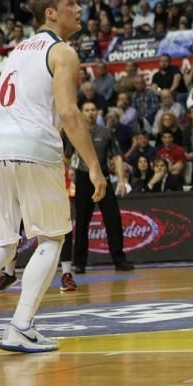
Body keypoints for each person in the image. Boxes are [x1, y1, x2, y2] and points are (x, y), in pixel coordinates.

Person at [0, 0, 107, 352]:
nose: (79, 8)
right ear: (50, 13)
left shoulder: (17, 51)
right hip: (33, 145)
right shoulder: (61, 51)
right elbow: (68, 113)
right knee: (52, 237)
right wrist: (95, 168)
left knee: (2, 243)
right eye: (71, 3)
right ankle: (20, 326)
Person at [69, 100, 133, 277]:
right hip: (82, 177)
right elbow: (66, 158)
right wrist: (66, 181)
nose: (90, 113)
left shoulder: (106, 132)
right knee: (82, 220)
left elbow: (117, 157)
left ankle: (119, 260)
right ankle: (79, 263)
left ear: (97, 112)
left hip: (102, 177)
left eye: (93, 109)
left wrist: (121, 180)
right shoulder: (74, 132)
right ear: (81, 112)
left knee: (113, 217)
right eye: (87, 110)